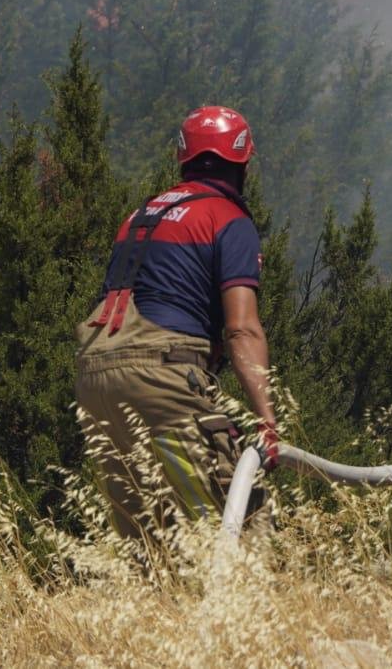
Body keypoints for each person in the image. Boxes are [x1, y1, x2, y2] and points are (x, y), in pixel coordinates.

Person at [74, 105, 278, 537]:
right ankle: (244, 598)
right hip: (162, 375)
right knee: (234, 518)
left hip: (94, 373)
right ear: (243, 162)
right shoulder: (229, 219)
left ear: (184, 159)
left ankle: (154, 601)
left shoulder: (141, 214)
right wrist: (268, 421)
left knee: (146, 533)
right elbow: (241, 328)